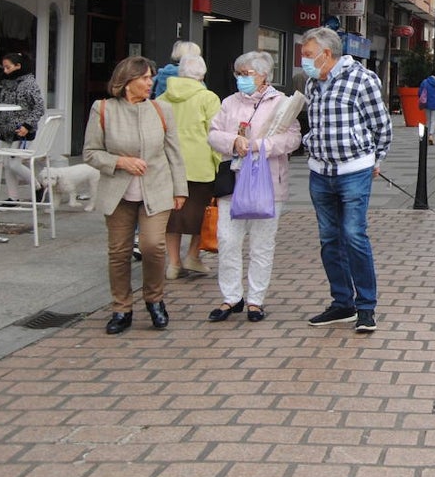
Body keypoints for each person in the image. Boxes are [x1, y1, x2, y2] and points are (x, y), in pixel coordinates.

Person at [83, 57, 188, 336]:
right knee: (119, 252)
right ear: (127, 81)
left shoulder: (161, 109)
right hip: (118, 193)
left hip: (157, 188)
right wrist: (120, 162)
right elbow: (90, 153)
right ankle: (122, 308)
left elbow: (174, 153)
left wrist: (180, 189)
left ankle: (155, 300)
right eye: (144, 78)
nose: (149, 83)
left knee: (153, 246)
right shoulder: (103, 109)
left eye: (151, 78)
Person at [300, 27, 392, 331]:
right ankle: (342, 303)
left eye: (308, 55)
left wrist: (374, 160)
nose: (304, 61)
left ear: (327, 54)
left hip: (354, 171)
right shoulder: (313, 83)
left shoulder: (361, 80)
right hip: (320, 172)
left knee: (354, 235)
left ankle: (366, 306)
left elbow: (382, 126)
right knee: (329, 239)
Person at [206, 51, 301, 323]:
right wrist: (232, 141)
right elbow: (213, 134)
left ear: (263, 76)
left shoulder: (281, 103)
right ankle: (230, 297)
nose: (241, 79)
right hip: (233, 181)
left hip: (268, 181)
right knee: (227, 240)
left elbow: (293, 139)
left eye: (247, 74)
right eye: (238, 74)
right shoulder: (228, 103)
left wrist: (262, 146)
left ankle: (255, 300)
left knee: (262, 243)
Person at [157, 54, 221, 280]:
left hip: (168, 166)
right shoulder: (208, 98)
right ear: (202, 75)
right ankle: (193, 256)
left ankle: (173, 263)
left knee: (172, 217)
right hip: (200, 166)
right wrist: (219, 162)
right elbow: (214, 134)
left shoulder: (162, 98)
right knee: (203, 215)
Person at [0, 52, 45, 204]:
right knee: (7, 164)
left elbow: (39, 107)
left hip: (21, 132)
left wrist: (27, 126)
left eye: (8, 67)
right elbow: (2, 110)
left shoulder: (29, 83)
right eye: (4, 68)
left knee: (14, 164)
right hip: (6, 130)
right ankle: (13, 197)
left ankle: (38, 186)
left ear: (18, 66)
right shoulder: (7, 84)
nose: (5, 71)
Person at [418, 68, 435, 146]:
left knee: (428, 120)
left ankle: (426, 136)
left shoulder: (425, 82)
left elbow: (420, 92)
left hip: (427, 103)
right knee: (434, 120)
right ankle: (431, 135)